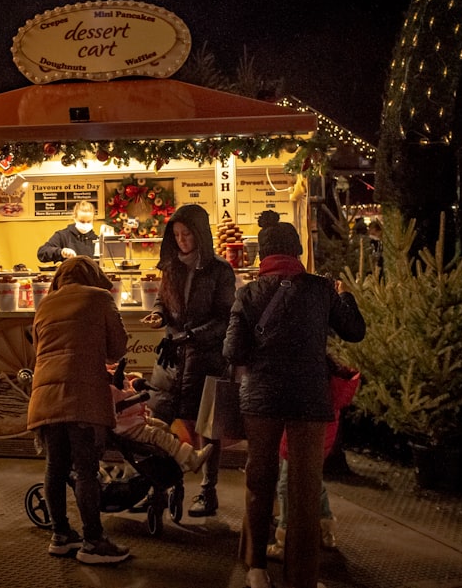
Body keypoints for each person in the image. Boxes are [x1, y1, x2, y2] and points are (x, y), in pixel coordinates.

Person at [224, 209, 365, 588]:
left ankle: (256, 568)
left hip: (261, 399)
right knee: (304, 487)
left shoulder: (247, 293)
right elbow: (355, 332)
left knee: (261, 478)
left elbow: (234, 352)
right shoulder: (321, 289)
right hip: (308, 398)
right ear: (298, 251)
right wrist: (345, 297)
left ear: (263, 254)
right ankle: (303, 576)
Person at [26, 256, 131, 564]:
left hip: (46, 393)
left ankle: (60, 535)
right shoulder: (100, 297)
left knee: (55, 467)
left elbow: (39, 348)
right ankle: (94, 541)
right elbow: (118, 348)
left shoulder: (44, 304)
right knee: (85, 468)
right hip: (82, 393)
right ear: (93, 276)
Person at [142, 203, 235, 517]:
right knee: (159, 421)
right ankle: (158, 487)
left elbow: (226, 319)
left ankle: (208, 491)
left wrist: (192, 335)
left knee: (207, 427)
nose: (182, 240)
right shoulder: (171, 267)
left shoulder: (220, 270)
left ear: (200, 235)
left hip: (205, 359)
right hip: (171, 359)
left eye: (187, 234)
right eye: (177, 235)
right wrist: (157, 315)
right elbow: (162, 301)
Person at [267, 357, 361, 559]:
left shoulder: (309, 379)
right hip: (316, 437)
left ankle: (284, 538)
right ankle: (325, 524)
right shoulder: (329, 386)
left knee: (285, 485)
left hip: (298, 435)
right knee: (313, 480)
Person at [108, 358, 214, 474]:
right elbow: (115, 396)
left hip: (132, 418)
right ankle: (190, 458)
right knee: (157, 435)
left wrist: (134, 382)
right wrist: (120, 387)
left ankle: (176, 459)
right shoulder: (102, 379)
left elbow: (126, 384)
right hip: (125, 425)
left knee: (162, 425)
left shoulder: (110, 371)